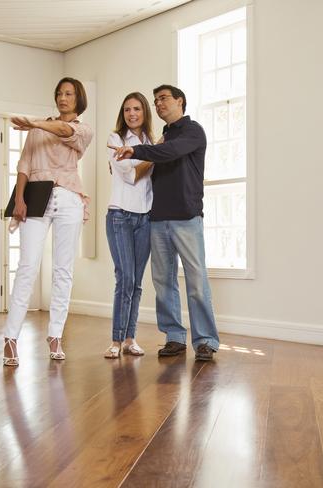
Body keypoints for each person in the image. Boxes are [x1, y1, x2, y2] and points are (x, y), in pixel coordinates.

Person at [109, 84, 219, 361]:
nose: (158, 104)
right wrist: (141, 152)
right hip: (157, 219)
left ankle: (205, 340)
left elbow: (170, 153)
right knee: (163, 282)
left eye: (164, 99)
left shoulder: (192, 131)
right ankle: (174, 337)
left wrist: (135, 151)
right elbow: (148, 168)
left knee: (196, 281)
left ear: (180, 101)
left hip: (187, 218)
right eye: (156, 100)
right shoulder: (162, 137)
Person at [3, 77, 93, 366]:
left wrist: (36, 123)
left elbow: (65, 130)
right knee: (27, 266)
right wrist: (19, 199)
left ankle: (55, 335)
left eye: (69, 93)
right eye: (59, 93)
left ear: (78, 99)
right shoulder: (37, 129)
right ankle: (10, 338)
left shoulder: (83, 129)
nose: (63, 97)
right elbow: (24, 165)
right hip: (36, 198)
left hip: (69, 199)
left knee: (63, 270)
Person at [104, 93, 155, 359]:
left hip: (146, 217)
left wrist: (153, 150)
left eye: (136, 109)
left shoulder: (150, 141)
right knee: (125, 279)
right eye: (127, 110)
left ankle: (130, 339)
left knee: (137, 283)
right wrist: (156, 154)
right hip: (120, 216)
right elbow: (133, 175)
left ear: (145, 111)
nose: (132, 114)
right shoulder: (116, 140)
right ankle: (115, 340)